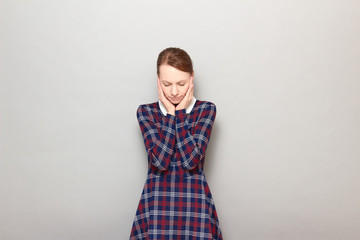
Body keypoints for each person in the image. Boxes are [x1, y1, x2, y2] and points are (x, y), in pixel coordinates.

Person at [129, 47, 223, 239]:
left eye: (181, 84)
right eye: (166, 84)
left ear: (191, 78)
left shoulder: (206, 110)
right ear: (158, 81)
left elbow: (191, 161)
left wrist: (179, 113)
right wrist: (171, 114)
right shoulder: (146, 112)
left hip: (194, 204)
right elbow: (160, 162)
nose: (174, 92)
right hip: (157, 204)